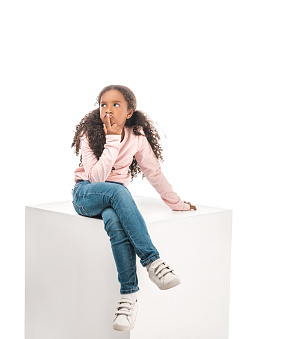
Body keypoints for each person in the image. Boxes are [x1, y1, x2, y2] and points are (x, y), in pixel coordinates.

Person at [70, 85, 197, 331]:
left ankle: (128, 297)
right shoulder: (90, 132)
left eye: (116, 105)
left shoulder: (137, 136)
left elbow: (153, 172)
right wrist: (112, 140)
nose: (108, 110)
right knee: (118, 190)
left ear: (129, 112)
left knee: (115, 223)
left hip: (114, 201)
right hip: (86, 194)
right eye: (103, 105)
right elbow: (97, 179)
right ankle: (152, 262)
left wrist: (176, 203)